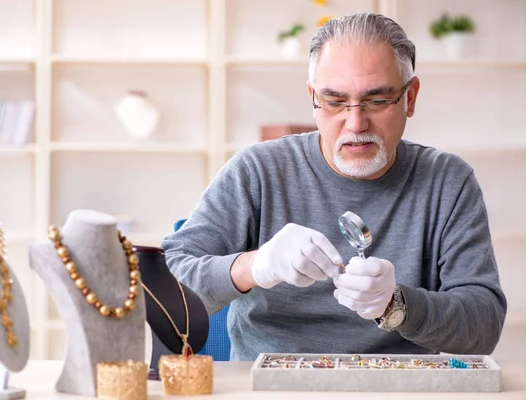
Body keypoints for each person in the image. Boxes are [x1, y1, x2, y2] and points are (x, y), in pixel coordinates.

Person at [161, 12, 507, 361]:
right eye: (335, 101)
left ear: (411, 98)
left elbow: (485, 326)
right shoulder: (257, 172)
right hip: (271, 386)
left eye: (377, 100)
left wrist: (397, 305)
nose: (355, 123)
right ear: (313, 98)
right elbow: (164, 289)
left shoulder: (448, 181)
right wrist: (255, 266)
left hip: (401, 386)